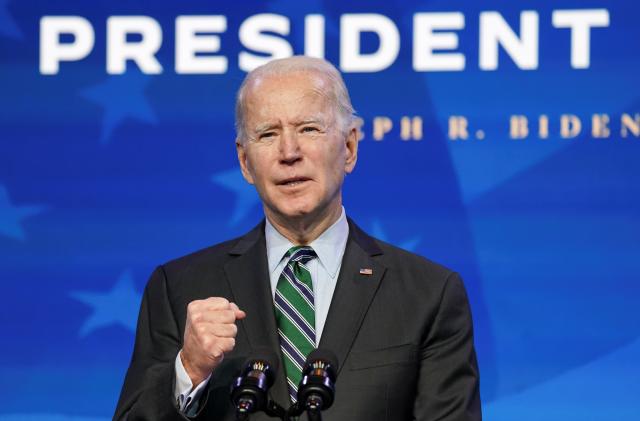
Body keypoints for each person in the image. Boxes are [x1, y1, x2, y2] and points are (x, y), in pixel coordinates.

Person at [114, 56, 481, 420]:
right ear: (245, 162)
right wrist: (190, 370)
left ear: (350, 147)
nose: (289, 153)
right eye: (268, 134)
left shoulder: (428, 294)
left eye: (309, 129)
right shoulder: (179, 288)